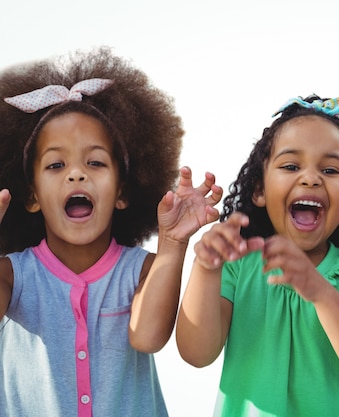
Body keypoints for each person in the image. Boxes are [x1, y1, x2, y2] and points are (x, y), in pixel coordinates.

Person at [0, 47, 223, 416]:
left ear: (122, 191)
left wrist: (173, 243)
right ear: (32, 195)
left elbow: (149, 336)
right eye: (56, 164)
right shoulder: (11, 274)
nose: (76, 173)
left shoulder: (145, 269)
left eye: (95, 162)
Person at [176, 95, 339, 417]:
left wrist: (319, 291)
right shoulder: (236, 267)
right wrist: (205, 270)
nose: (310, 178)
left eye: (330, 169)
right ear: (260, 190)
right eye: (291, 166)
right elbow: (196, 353)